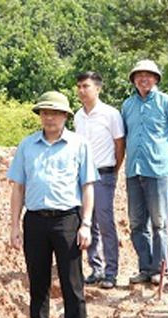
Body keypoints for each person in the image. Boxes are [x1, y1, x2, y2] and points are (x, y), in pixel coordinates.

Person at [7, 91, 98, 318]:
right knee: (38, 282)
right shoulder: (27, 146)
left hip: (67, 220)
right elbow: (18, 187)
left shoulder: (78, 145)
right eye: (45, 113)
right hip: (35, 221)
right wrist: (14, 226)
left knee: (72, 282)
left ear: (65, 116)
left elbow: (88, 186)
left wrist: (86, 224)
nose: (49, 117)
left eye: (55, 113)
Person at [121, 59, 168, 285]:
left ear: (155, 79)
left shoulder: (166, 103)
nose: (143, 79)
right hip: (134, 170)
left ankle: (160, 268)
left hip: (158, 170)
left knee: (159, 222)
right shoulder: (127, 106)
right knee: (136, 223)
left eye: (148, 75)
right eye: (139, 75)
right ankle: (145, 267)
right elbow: (124, 136)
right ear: (134, 80)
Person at [73, 71, 125, 289]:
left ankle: (111, 271)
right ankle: (96, 268)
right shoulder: (77, 116)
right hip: (83, 176)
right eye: (79, 86)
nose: (82, 90)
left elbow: (120, 144)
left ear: (98, 88)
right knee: (88, 221)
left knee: (105, 222)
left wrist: (114, 170)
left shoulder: (110, 114)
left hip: (104, 173)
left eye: (86, 86)